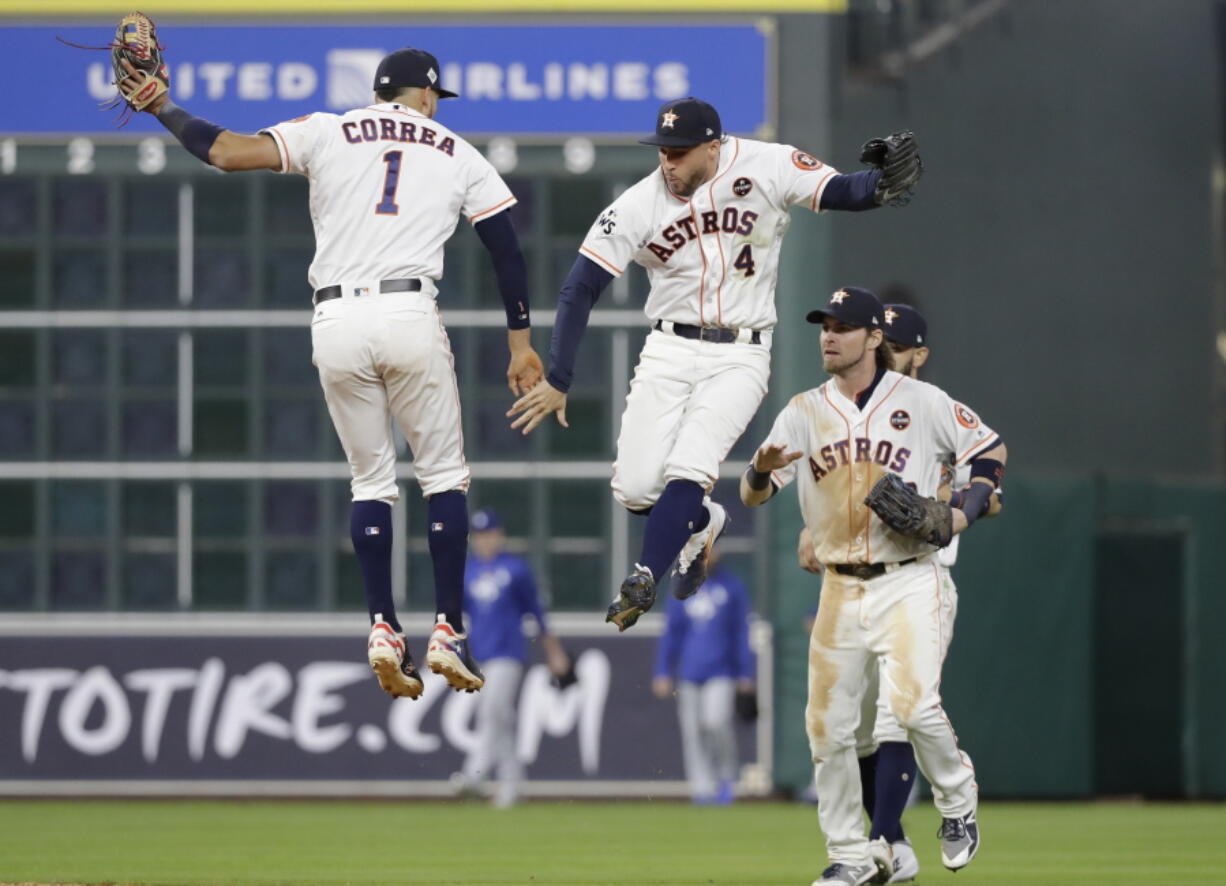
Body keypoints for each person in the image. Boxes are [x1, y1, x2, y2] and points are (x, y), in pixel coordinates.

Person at [115, 44, 543, 698]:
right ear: (426, 95)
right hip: (408, 312)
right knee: (443, 477)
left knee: (371, 483)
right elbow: (505, 248)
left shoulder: (329, 128)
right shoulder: (457, 150)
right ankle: (448, 629)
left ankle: (381, 626)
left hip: (336, 321)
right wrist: (520, 343)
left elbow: (225, 152)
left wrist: (162, 107)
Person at [506, 97, 921, 631]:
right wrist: (560, 377)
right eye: (662, 151)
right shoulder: (641, 203)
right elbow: (579, 287)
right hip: (668, 349)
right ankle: (703, 524)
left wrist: (878, 183)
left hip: (741, 353)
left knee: (689, 467)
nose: (668, 162)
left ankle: (643, 576)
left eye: (679, 152)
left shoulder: (766, 164)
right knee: (634, 489)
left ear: (713, 146)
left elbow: (840, 190)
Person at [741, 286, 1006, 886]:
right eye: (823, 326)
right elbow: (754, 494)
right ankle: (852, 855)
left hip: (911, 578)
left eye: (841, 326)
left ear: (873, 339)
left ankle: (957, 797)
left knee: (911, 710)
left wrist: (961, 512)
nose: (828, 336)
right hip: (840, 586)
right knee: (827, 729)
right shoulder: (804, 411)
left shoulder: (922, 400)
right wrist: (759, 472)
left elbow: (990, 450)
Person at [454, 509, 570, 807]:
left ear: (499, 535)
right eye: (479, 535)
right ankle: (511, 786)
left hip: (508, 652)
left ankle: (473, 775)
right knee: (501, 718)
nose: (485, 540)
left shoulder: (515, 570)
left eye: (489, 534)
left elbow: (537, 612)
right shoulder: (467, 572)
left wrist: (553, 651)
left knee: (492, 711)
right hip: (480, 654)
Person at [651, 549, 756, 804]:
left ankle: (726, 777)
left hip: (721, 670)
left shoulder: (732, 587)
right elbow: (671, 634)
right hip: (689, 672)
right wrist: (663, 670)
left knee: (716, 722)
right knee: (692, 731)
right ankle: (702, 787)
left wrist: (746, 672)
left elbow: (741, 633)